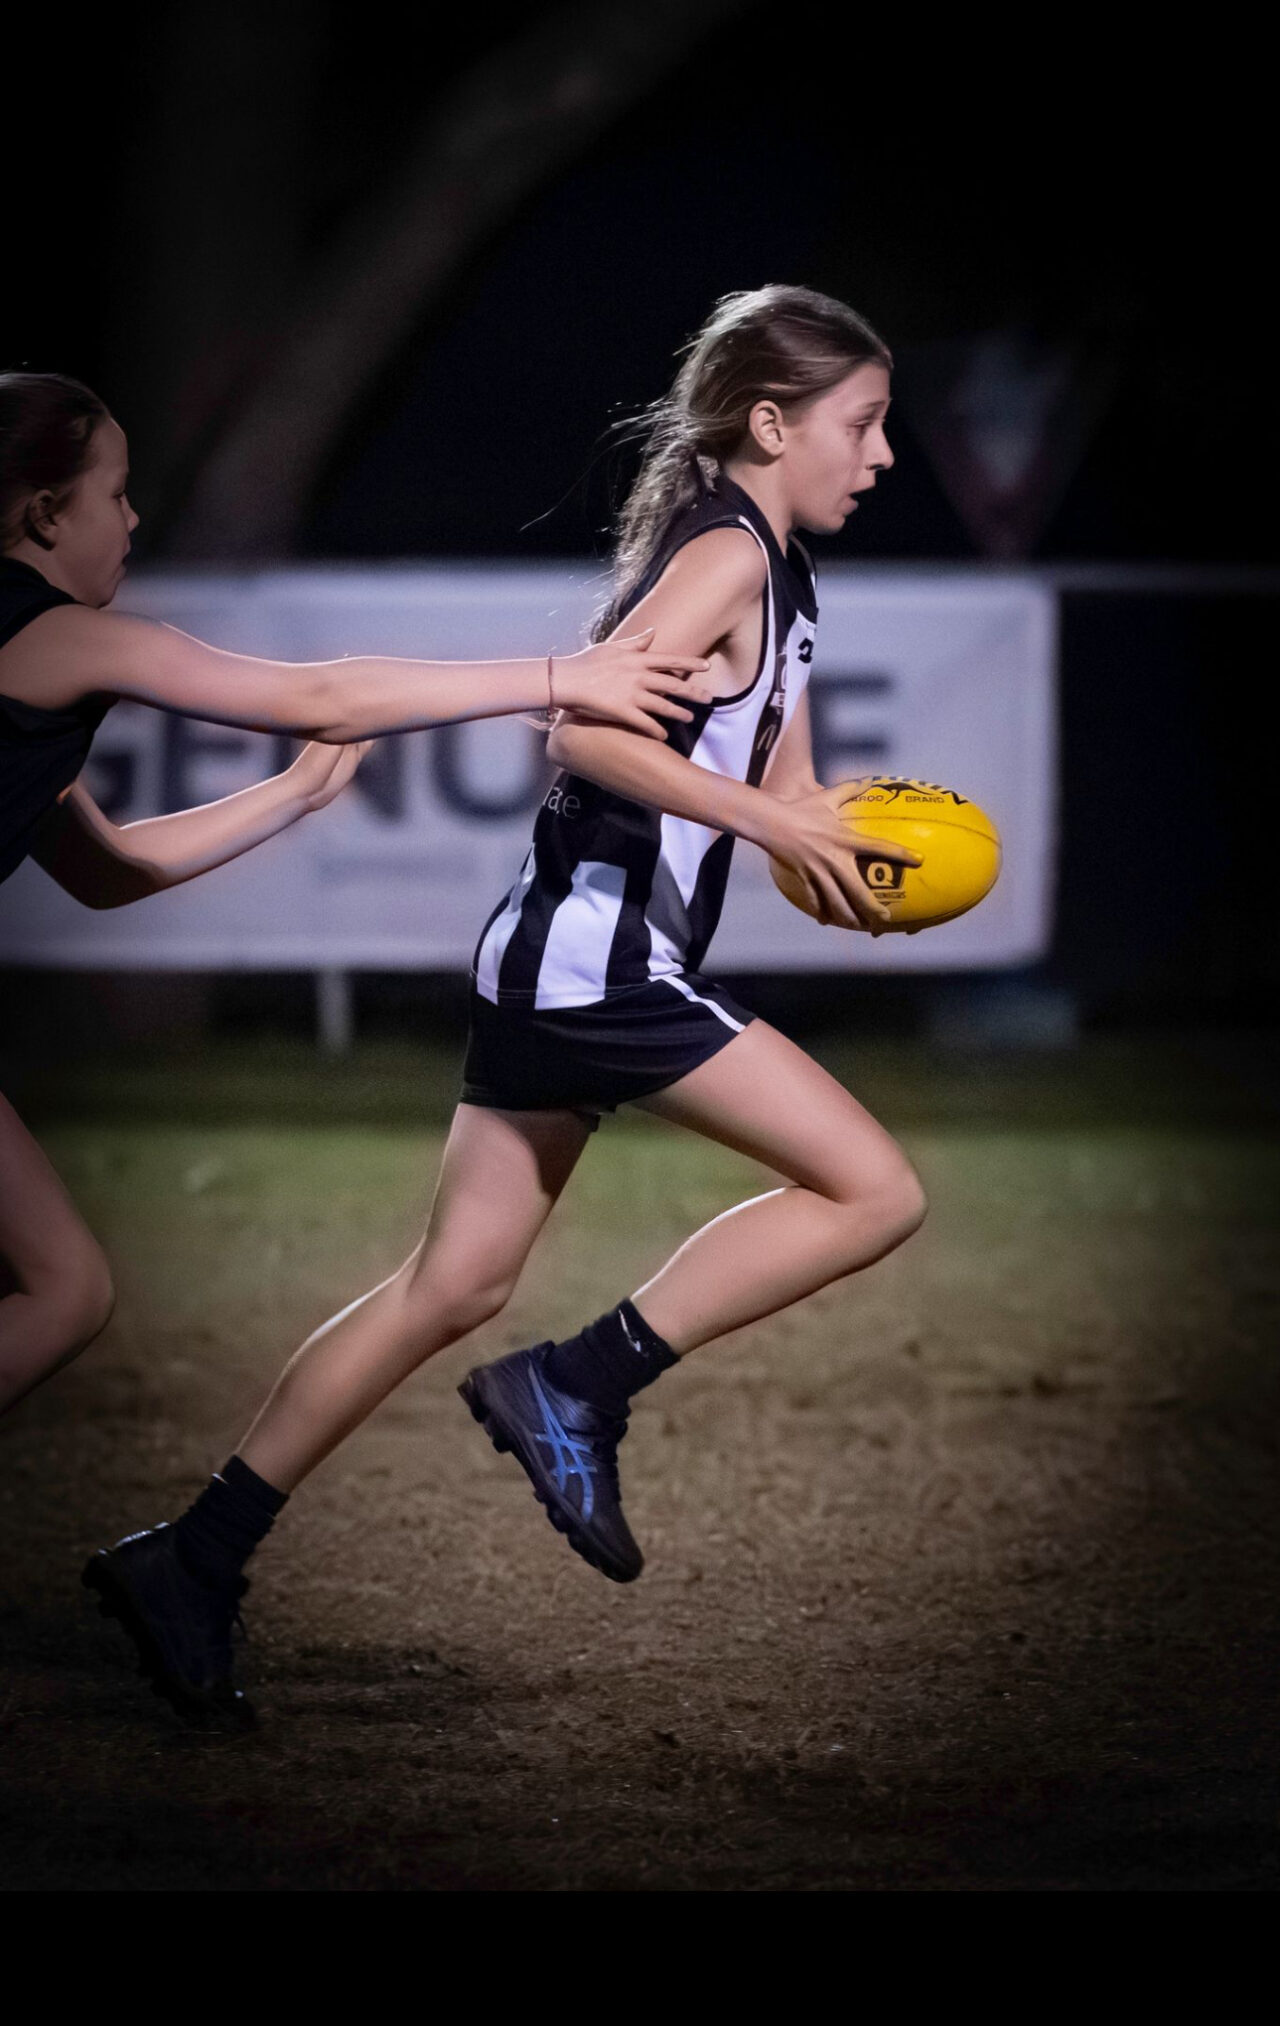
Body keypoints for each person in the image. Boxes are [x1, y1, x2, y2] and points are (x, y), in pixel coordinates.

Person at [87, 288, 928, 1732]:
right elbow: (583, 731)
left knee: (451, 1284)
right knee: (874, 1188)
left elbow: (777, 795)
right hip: (596, 962)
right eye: (862, 424)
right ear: (770, 422)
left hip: (565, 961)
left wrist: (838, 854)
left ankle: (194, 1554)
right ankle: (577, 1384)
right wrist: (768, 822)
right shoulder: (727, 550)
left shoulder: (783, 572)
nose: (885, 454)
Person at [0, 371, 709, 1417]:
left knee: (67, 1290)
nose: (135, 517)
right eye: (114, 492)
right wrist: (563, 677)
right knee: (62, 1292)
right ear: (45, 514)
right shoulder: (53, 636)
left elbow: (107, 872)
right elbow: (321, 696)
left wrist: (293, 794)